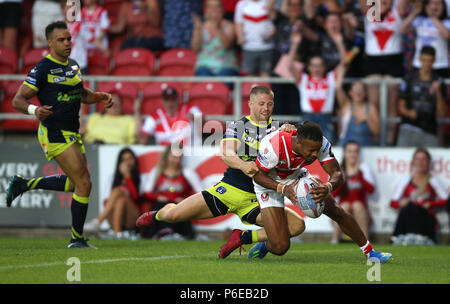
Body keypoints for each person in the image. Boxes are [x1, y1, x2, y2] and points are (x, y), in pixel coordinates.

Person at [135, 85, 306, 258]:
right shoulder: (239, 126)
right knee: (173, 215)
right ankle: (157, 215)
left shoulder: (280, 130)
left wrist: (292, 135)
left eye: (270, 104)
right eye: (261, 103)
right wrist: (243, 165)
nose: (266, 108)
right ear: (250, 104)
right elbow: (225, 153)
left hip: (257, 201)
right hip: (227, 192)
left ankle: (244, 237)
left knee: (297, 226)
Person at [5, 21, 113, 249]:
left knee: (78, 184)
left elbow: (81, 94)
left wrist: (98, 96)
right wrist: (35, 110)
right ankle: (76, 240)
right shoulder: (42, 69)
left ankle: (24, 184)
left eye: (69, 39)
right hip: (54, 131)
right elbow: (18, 100)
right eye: (61, 40)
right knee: (84, 183)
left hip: (71, 131)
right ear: (50, 42)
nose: (67, 43)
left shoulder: (73, 66)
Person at [244, 121, 391, 262]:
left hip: (296, 176)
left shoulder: (320, 144)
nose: (315, 154)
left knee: (336, 210)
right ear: (298, 143)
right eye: (311, 150)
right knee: (280, 247)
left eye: (317, 150)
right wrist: (283, 188)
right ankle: (257, 241)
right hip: (269, 184)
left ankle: (370, 253)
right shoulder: (274, 146)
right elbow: (257, 176)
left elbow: (337, 174)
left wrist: (328, 186)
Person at [287, 30, 345, 144]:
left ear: (324, 67)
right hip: (307, 118)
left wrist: (339, 42)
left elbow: (344, 63)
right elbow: (289, 65)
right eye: (314, 65)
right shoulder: (303, 79)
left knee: (327, 150)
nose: (316, 68)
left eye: (319, 65)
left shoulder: (330, 78)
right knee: (304, 151)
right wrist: (295, 44)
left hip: (325, 117)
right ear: (308, 67)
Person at [140, 146, 203, 240]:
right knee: (163, 206)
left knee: (176, 207)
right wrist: (158, 197)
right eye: (173, 157)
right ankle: (161, 232)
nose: (176, 160)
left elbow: (201, 193)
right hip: (161, 206)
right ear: (167, 156)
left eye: (179, 157)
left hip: (179, 206)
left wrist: (185, 199)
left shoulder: (187, 172)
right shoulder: (157, 171)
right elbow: (146, 192)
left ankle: (176, 233)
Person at [390, 148, 448, 245]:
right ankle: (403, 238)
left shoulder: (432, 180)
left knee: (417, 209)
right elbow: (393, 202)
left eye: (423, 159)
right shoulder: (406, 179)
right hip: (408, 214)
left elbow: (446, 200)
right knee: (410, 208)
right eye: (418, 159)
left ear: (428, 162)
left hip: (425, 216)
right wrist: (401, 203)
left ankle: (422, 239)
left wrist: (430, 203)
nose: (420, 163)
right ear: (413, 162)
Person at [84, 148, 141, 238]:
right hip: (114, 216)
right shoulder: (113, 178)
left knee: (118, 191)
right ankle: (118, 234)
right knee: (120, 201)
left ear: (135, 160)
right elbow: (106, 202)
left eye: (130, 159)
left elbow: (136, 198)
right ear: (120, 163)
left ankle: (97, 222)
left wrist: (127, 177)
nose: (128, 162)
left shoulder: (140, 176)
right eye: (124, 160)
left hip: (133, 218)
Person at [396, 46, 447, 147]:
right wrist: (409, 113)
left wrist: (438, 92)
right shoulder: (409, 79)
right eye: (424, 60)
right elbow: (400, 106)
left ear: (434, 61)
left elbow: (442, 113)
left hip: (430, 130)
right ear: (419, 59)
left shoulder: (439, 81)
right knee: (402, 159)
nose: (427, 64)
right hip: (409, 127)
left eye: (429, 61)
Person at [331, 140, 376, 243]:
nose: (352, 154)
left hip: (361, 212)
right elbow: (332, 193)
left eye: (355, 151)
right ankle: (334, 240)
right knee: (345, 205)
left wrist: (359, 174)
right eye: (349, 151)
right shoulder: (339, 169)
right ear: (344, 153)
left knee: (357, 205)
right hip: (343, 210)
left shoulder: (364, 168)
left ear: (358, 154)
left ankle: (365, 241)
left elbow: (371, 190)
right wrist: (342, 180)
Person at [399, 0, 450, 78]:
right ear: (427, 6)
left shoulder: (446, 22)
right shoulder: (420, 20)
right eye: (433, 3)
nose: (435, 6)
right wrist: (414, 13)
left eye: (438, 3)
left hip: (440, 64)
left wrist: (432, 17)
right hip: (419, 63)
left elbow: (447, 35)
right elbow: (402, 30)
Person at [138, 86, 202, 146]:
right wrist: (142, 137)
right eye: (167, 100)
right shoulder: (155, 116)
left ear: (178, 99)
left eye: (173, 99)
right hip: (164, 153)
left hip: (188, 151)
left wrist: (194, 118)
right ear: (162, 101)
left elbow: (201, 120)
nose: (170, 103)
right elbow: (143, 134)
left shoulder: (190, 109)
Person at [191, 0, 240, 78]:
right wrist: (197, 30)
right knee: (204, 79)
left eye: (217, 6)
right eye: (210, 7)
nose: (214, 9)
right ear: (206, 10)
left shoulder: (229, 26)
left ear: (222, 9)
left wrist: (218, 27)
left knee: (223, 81)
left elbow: (226, 45)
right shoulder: (201, 26)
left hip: (226, 66)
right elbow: (195, 48)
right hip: (204, 65)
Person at [336, 63, 380, 146]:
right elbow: (338, 88)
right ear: (350, 92)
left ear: (365, 93)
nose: (358, 92)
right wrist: (342, 69)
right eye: (355, 89)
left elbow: (377, 132)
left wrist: (367, 119)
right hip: (345, 147)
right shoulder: (346, 105)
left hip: (365, 147)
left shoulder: (371, 108)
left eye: (361, 89)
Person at [234, 0, 276, 76]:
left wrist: (270, 7)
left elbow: (274, 20)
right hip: (248, 47)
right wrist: (240, 37)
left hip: (267, 47)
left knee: (266, 76)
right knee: (249, 76)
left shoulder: (269, 2)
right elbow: (238, 23)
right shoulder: (241, 4)